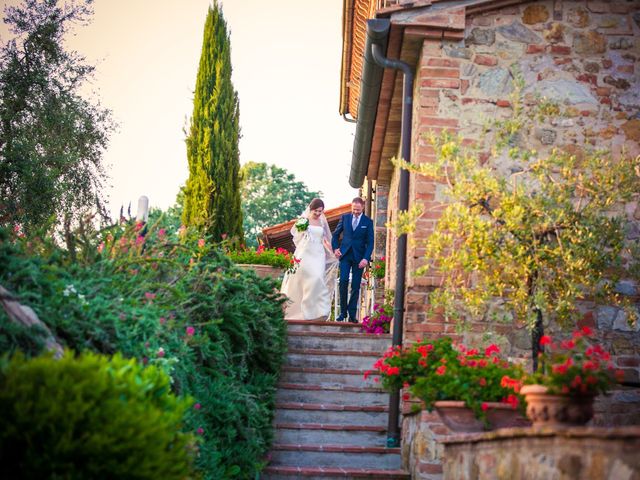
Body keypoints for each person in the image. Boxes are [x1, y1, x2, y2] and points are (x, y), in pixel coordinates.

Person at [280, 198, 338, 320]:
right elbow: (296, 236)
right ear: (311, 209)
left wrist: (333, 251)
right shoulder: (304, 220)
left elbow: (326, 239)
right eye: (316, 211)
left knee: (317, 278)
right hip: (306, 253)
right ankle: (302, 311)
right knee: (304, 280)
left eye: (320, 211)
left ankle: (319, 311)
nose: (318, 213)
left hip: (319, 254)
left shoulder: (322, 222)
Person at [331, 197, 374, 323]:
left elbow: (370, 242)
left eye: (358, 210)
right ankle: (343, 312)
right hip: (345, 255)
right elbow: (335, 235)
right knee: (343, 281)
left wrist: (366, 258)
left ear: (363, 208)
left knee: (355, 286)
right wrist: (335, 249)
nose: (355, 212)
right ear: (351, 207)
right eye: (354, 209)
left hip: (359, 258)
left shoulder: (368, 222)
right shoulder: (345, 218)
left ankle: (352, 315)